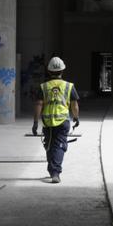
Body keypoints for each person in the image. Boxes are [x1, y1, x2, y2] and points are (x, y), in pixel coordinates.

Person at [32, 56, 80, 184]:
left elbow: (38, 105)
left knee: (49, 145)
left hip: (47, 122)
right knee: (59, 146)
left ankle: (52, 170)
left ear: (49, 71)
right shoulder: (69, 86)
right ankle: (55, 172)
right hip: (63, 121)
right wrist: (76, 117)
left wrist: (35, 122)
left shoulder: (43, 87)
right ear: (62, 71)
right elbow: (74, 105)